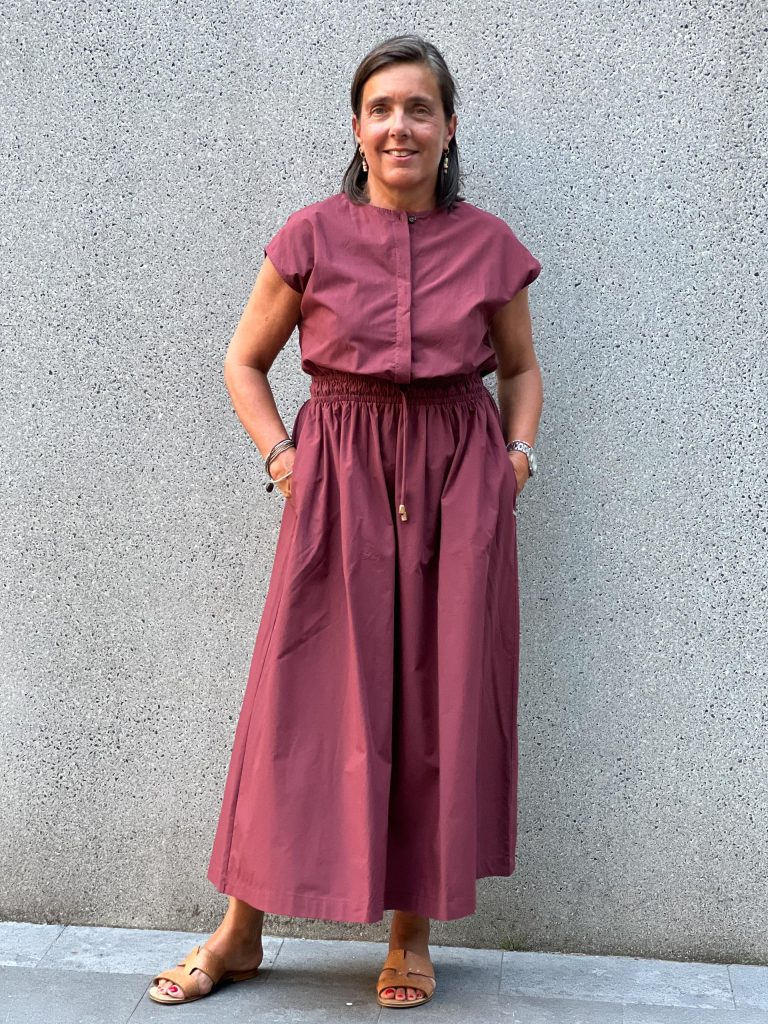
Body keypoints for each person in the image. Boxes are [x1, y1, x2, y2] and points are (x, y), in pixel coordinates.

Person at [148, 33, 543, 1011]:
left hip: (457, 493)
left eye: (419, 108)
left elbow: (520, 369)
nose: (400, 125)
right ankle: (241, 931)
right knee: (298, 709)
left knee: (436, 705)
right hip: (340, 489)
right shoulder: (311, 236)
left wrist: (514, 461)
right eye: (382, 109)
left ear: (449, 128)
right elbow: (244, 362)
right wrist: (284, 460)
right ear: (358, 127)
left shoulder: (488, 246)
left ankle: (411, 936)